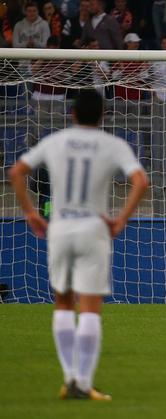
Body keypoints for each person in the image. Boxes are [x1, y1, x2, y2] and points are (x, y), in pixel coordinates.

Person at [8, 89, 149, 400]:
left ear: (72, 114)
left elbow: (16, 172)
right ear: (102, 116)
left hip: (60, 228)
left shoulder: (55, 141)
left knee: (62, 303)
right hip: (92, 229)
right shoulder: (113, 145)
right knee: (89, 310)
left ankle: (69, 378)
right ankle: (83, 382)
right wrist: (122, 218)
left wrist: (30, 212)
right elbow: (141, 181)